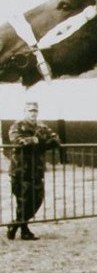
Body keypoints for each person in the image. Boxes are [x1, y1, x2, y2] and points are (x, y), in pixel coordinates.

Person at [7, 102, 61, 241]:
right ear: (24, 111)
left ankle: (15, 224)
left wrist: (39, 143)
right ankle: (24, 230)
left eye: (35, 111)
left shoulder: (42, 126)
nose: (33, 114)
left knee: (37, 199)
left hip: (36, 169)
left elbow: (55, 140)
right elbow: (16, 141)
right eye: (30, 111)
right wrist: (33, 140)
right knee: (23, 200)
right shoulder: (17, 126)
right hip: (20, 169)